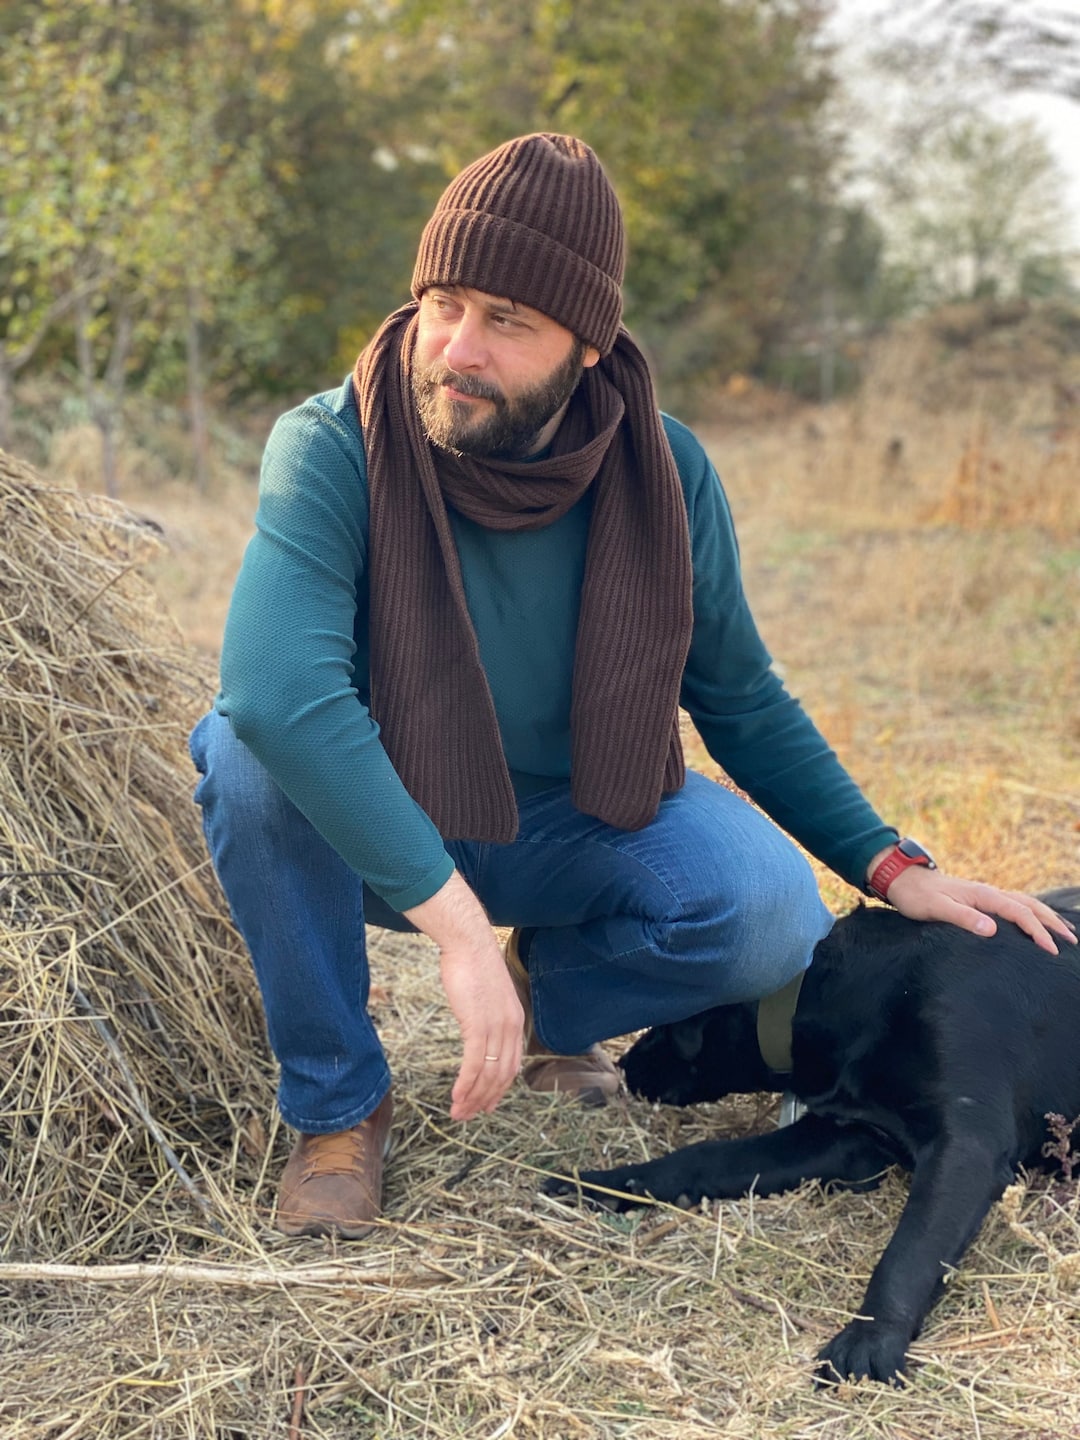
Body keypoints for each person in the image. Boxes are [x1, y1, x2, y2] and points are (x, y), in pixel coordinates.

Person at [189, 133, 1075, 1239]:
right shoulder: (331, 445)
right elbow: (277, 693)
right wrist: (455, 931)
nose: (458, 347)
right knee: (245, 753)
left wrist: (891, 866)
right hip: (376, 815)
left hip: (573, 818)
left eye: (508, 320)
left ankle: (547, 999)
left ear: (590, 344)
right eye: (444, 304)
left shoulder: (666, 469)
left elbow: (740, 696)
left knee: (767, 913)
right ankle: (337, 1106)